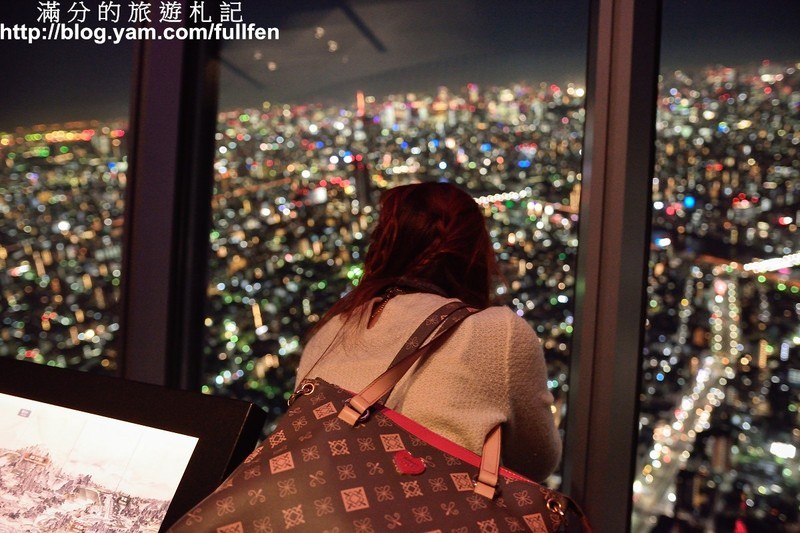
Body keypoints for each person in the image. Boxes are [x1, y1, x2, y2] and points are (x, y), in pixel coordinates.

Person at [295, 181, 561, 482]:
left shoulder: (329, 333)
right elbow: (537, 463)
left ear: (382, 245)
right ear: (476, 253)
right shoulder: (498, 332)